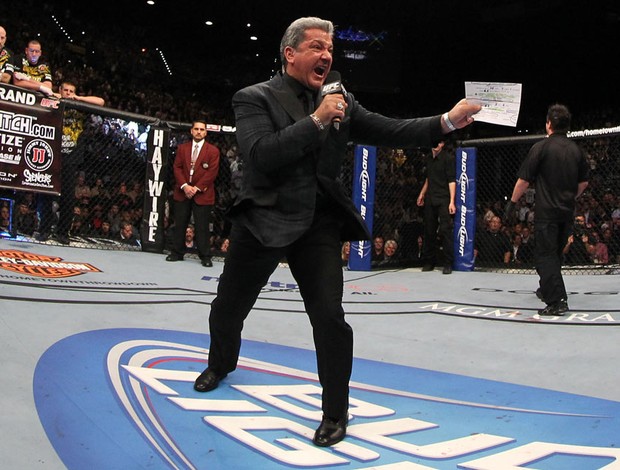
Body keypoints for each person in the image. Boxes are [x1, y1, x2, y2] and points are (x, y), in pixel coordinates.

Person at [192, 16, 481, 448]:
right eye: (316, 46)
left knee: (330, 318)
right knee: (229, 305)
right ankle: (221, 363)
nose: (327, 54)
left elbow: (390, 129)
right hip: (264, 216)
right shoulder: (254, 98)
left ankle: (335, 413)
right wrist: (315, 120)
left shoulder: (340, 99)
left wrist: (447, 121)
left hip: (317, 221)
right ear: (290, 54)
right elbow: (260, 156)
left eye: (330, 48)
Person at [505, 104, 589, 316]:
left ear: (549, 124)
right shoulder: (576, 150)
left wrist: (512, 203)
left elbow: (524, 180)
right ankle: (547, 288)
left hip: (547, 212)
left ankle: (558, 300)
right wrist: (570, 196)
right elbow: (584, 183)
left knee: (546, 256)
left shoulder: (541, 147)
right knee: (554, 254)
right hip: (566, 212)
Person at [52, 81, 106, 245]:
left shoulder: (80, 106)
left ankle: (63, 233)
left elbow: (101, 102)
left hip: (71, 157)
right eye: (65, 90)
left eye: (71, 91)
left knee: (68, 197)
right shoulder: (53, 101)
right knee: (46, 193)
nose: (68, 93)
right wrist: (57, 96)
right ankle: (44, 229)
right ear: (60, 91)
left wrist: (76, 98)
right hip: (51, 154)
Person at [166, 120, 220, 267]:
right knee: (180, 223)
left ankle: (205, 256)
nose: (199, 131)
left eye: (202, 129)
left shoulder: (213, 151)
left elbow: (212, 172)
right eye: (196, 129)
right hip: (183, 191)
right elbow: (177, 168)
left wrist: (196, 188)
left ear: (206, 132)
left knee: (202, 226)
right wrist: (184, 186)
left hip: (202, 193)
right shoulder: (182, 148)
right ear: (191, 131)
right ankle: (177, 252)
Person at [416, 141, 456, 274]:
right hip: (431, 197)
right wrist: (422, 193)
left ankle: (448, 263)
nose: (435, 144)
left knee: (445, 230)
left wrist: (451, 201)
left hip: (444, 198)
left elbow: (451, 181)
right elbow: (428, 178)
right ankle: (429, 261)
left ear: (442, 144)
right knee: (429, 230)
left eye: (438, 142)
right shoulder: (428, 158)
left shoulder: (448, 158)